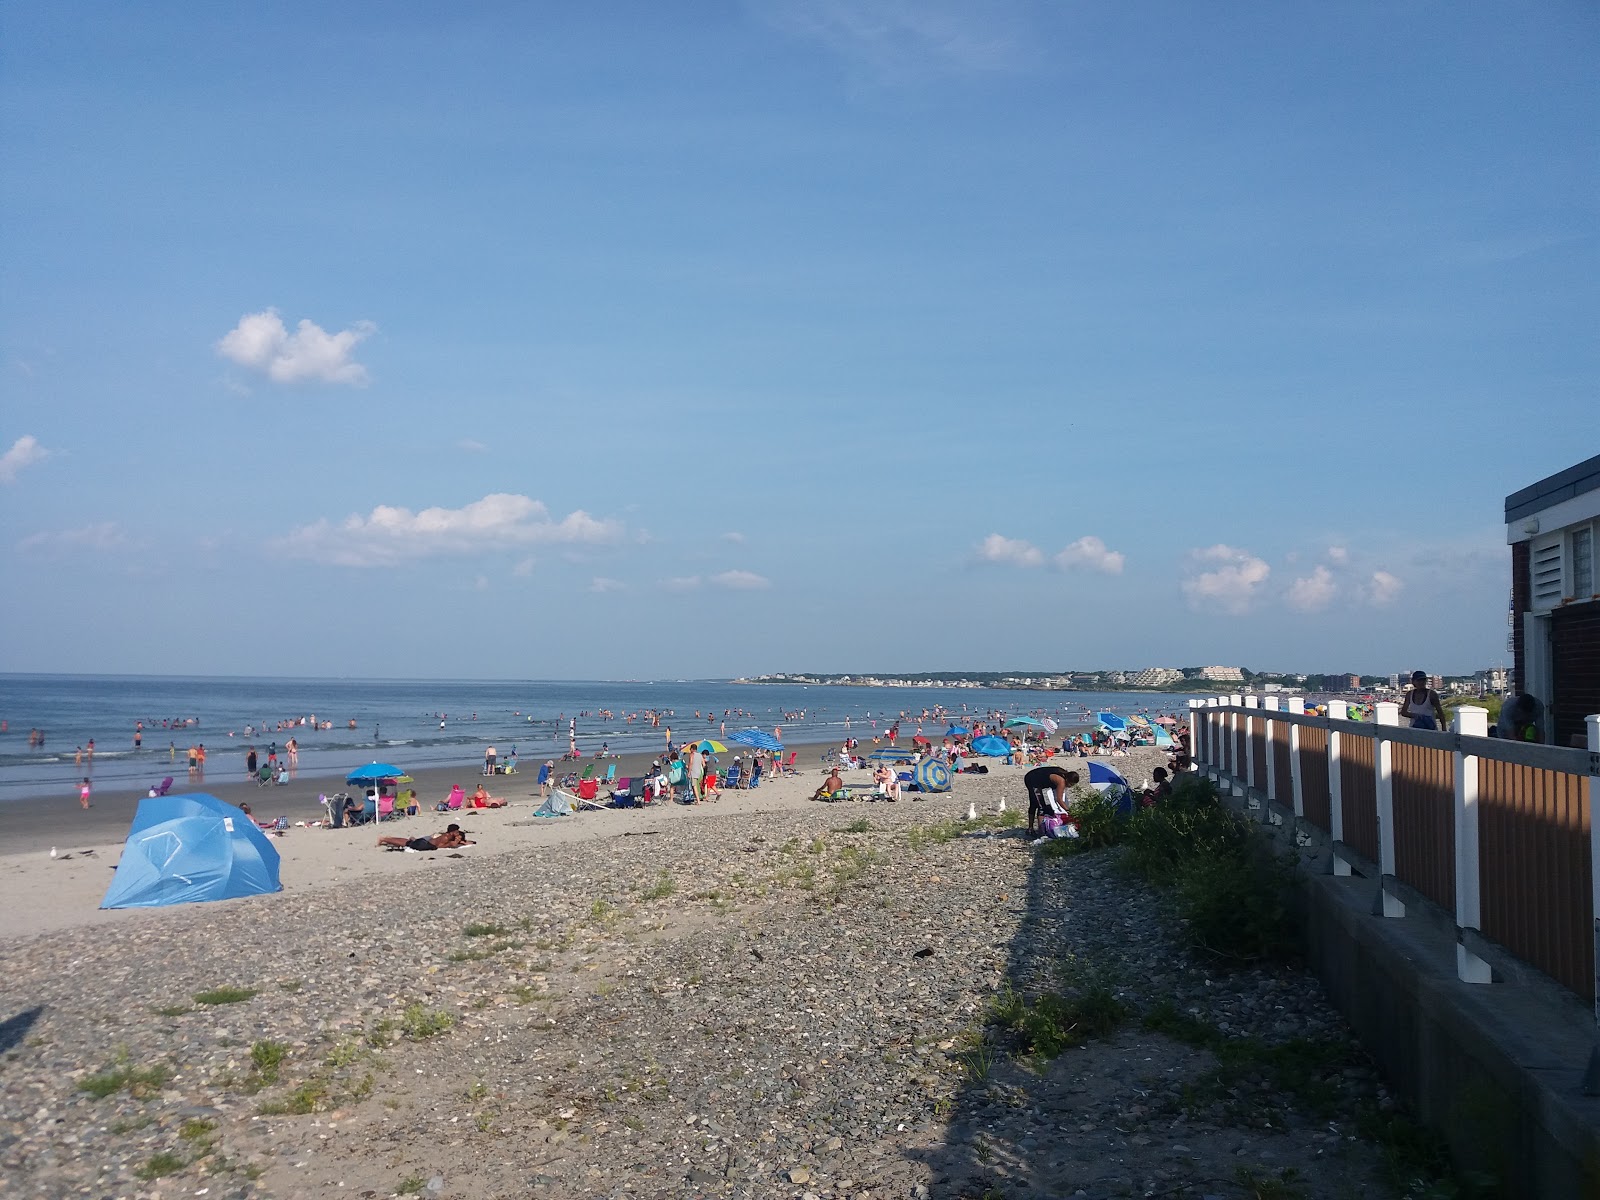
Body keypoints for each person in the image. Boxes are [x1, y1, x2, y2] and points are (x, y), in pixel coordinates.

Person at [1023, 764, 1079, 837]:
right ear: (1067, 780)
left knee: (1034, 803)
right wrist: (1069, 811)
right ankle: (1041, 832)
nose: (1070, 786)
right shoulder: (1061, 781)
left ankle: (1030, 829)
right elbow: (1059, 799)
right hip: (1032, 780)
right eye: (1070, 784)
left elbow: (1058, 797)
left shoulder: (1064, 774)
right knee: (1041, 806)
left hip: (1034, 776)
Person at [378, 823, 474, 852]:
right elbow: (442, 846)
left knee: (407, 842)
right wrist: (455, 843)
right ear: (452, 832)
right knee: (406, 843)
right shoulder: (446, 838)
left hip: (426, 842)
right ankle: (384, 839)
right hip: (425, 845)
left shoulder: (447, 835)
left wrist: (464, 842)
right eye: (456, 832)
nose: (457, 833)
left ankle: (387, 839)